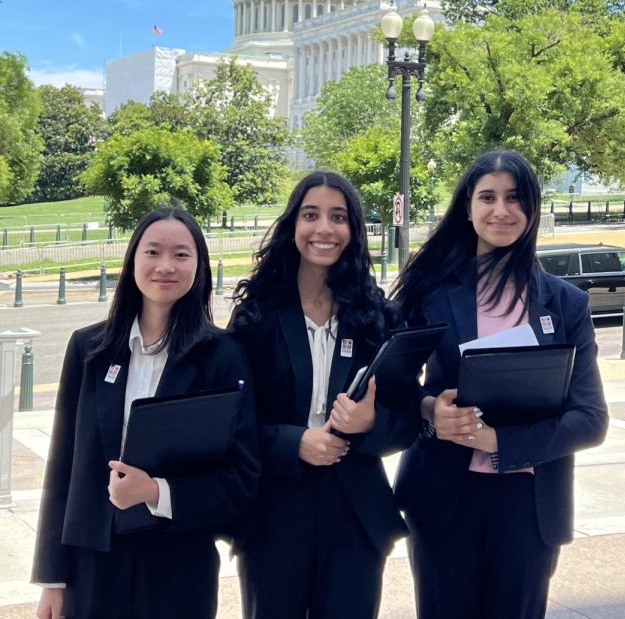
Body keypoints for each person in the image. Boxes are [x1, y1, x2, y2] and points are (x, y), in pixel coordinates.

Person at [392, 150, 609, 619]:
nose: (500, 211)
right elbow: (390, 386)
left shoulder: (566, 304)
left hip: (529, 507)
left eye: (514, 198)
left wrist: (499, 442)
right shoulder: (429, 291)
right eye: (487, 197)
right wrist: (430, 409)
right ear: (467, 207)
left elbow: (590, 420)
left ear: (531, 208)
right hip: (444, 499)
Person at [32, 206, 260, 619]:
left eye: (182, 254)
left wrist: (157, 492)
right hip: (93, 565)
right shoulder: (89, 349)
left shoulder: (224, 357)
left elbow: (242, 478)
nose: (165, 266)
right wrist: (53, 577)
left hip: (177, 567)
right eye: (153, 252)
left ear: (200, 266)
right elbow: (64, 465)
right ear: (133, 259)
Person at [229, 171, 419, 619]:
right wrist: (293, 442)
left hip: (356, 513)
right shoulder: (256, 316)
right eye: (311, 215)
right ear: (293, 225)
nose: (324, 229)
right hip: (274, 511)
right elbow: (232, 422)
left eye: (338, 217)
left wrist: (371, 424)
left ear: (353, 230)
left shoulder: (378, 317)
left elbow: (409, 415)